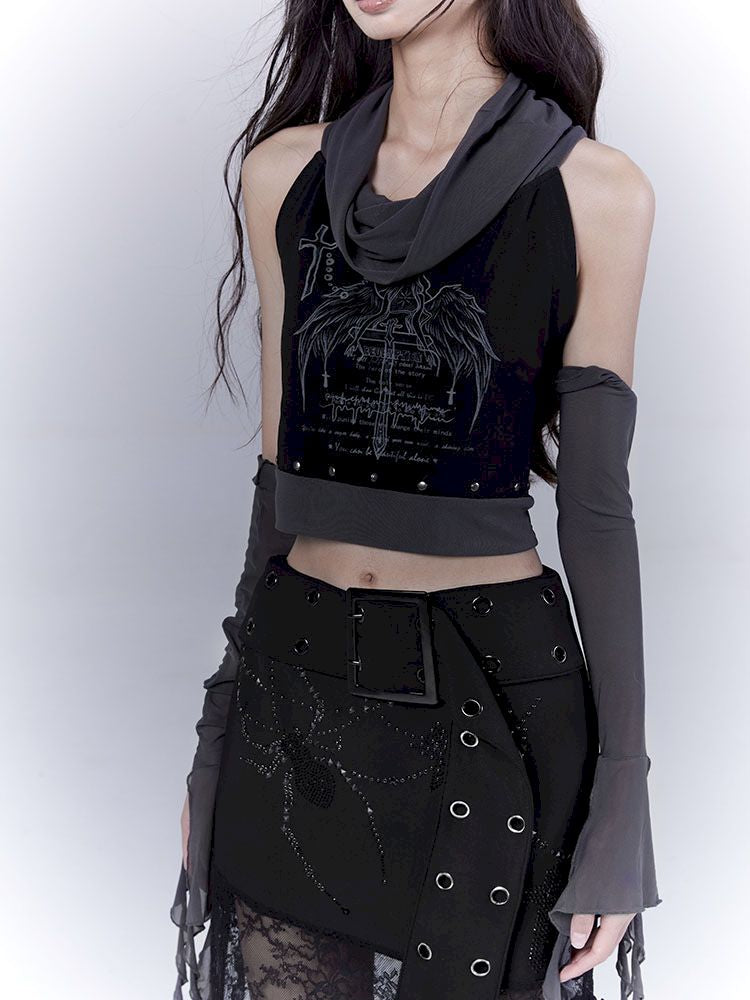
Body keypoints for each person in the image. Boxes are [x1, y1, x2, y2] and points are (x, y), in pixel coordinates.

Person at [170, 2, 662, 999]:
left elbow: (598, 516)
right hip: (293, 695)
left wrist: (624, 795)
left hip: (490, 701)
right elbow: (276, 496)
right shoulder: (283, 176)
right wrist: (214, 741)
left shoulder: (597, 192)